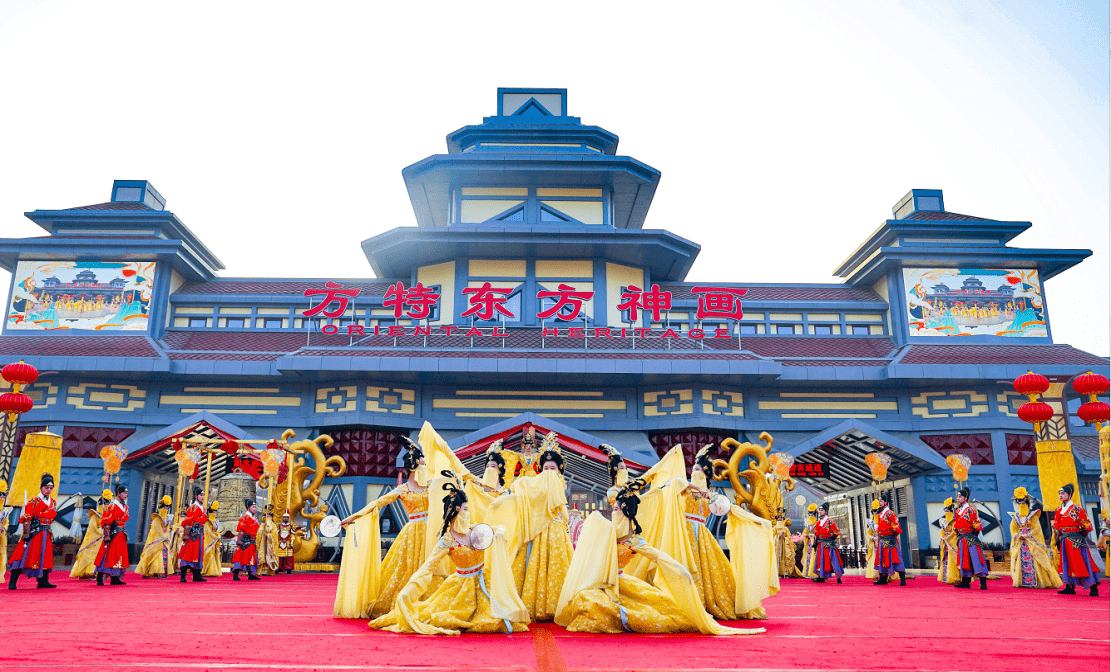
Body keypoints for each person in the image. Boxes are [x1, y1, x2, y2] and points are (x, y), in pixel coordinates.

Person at [555, 478, 764, 635]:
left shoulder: (635, 541)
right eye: (613, 510)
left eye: (617, 510)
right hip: (602, 585)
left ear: (626, 513)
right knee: (586, 599)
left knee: (657, 612)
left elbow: (660, 557)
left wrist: (682, 572)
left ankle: (623, 619)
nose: (613, 513)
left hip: (623, 587)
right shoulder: (606, 531)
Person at [368, 474, 529, 634]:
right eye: (465, 509)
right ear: (455, 512)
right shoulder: (447, 541)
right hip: (461, 588)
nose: (468, 512)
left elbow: (498, 528)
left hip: (484, 583)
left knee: (499, 620)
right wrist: (407, 592)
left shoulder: (475, 530)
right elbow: (427, 567)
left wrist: (500, 532)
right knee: (443, 617)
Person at [509, 432, 573, 622]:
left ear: (559, 469)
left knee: (555, 565)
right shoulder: (535, 483)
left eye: (552, 468)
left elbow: (559, 503)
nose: (549, 471)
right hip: (539, 528)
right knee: (536, 564)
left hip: (554, 527)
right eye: (545, 468)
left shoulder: (557, 481)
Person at [679, 445, 736, 618]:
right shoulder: (684, 488)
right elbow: (675, 481)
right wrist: (698, 489)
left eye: (698, 470)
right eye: (693, 469)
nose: (694, 473)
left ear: (705, 474)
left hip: (701, 533)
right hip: (685, 530)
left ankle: (705, 601)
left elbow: (724, 508)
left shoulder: (712, 495)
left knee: (706, 569)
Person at [8, 473, 58, 590]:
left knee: (44, 556)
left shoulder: (53, 502)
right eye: (46, 488)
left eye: (51, 488)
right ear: (41, 488)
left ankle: (43, 581)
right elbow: (27, 517)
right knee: (24, 554)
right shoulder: (34, 501)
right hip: (34, 532)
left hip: (46, 532)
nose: (49, 490)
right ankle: (12, 582)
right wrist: (26, 531)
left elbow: (52, 516)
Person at [1007, 487, 1060, 589]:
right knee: (1021, 560)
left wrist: (1028, 535)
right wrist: (1018, 535)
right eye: (1020, 504)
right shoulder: (1015, 517)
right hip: (1021, 541)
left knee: (1036, 557)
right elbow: (1013, 529)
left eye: (1024, 503)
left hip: (1031, 540)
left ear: (1027, 504)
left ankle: (1039, 581)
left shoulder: (1033, 516)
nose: (1022, 505)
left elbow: (1037, 529)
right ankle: (1024, 581)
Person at [1053, 483, 1100, 596]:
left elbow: (1086, 525)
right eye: (1059, 493)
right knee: (1066, 563)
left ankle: (1093, 588)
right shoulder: (1059, 509)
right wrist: (1057, 540)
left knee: (1083, 562)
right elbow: (1056, 527)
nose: (1060, 495)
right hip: (1064, 540)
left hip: (1076, 541)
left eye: (1063, 493)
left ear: (1069, 495)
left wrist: (1080, 537)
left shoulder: (1077, 509)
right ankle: (1069, 587)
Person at [952, 487, 989, 590]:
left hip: (970, 537)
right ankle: (965, 582)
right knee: (964, 560)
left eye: (960, 496)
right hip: (961, 537)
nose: (958, 498)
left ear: (966, 497)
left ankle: (983, 582)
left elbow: (977, 525)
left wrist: (973, 534)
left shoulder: (970, 510)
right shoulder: (958, 511)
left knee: (976, 558)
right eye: (958, 497)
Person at [95, 484, 131, 586]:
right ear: (118, 494)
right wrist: (107, 535)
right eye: (124, 493)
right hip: (113, 533)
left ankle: (115, 578)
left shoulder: (125, 506)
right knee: (108, 555)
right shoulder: (112, 506)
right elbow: (106, 522)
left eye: (126, 493)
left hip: (122, 533)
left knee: (119, 556)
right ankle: (100, 576)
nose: (125, 495)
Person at [71, 491, 109, 580]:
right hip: (95, 538)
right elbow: (93, 527)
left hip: (104, 538)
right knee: (91, 555)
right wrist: (102, 531)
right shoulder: (95, 515)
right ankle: (89, 572)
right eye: (105, 503)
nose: (106, 506)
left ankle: (101, 572)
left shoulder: (107, 515)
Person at [872, 495, 906, 586]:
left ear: (886, 502)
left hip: (890, 539)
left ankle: (902, 578)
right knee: (882, 558)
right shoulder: (880, 514)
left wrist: (894, 533)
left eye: (881, 501)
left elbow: (896, 525)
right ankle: (883, 578)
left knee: (895, 558)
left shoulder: (890, 513)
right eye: (879, 501)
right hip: (882, 539)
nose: (880, 503)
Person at [136, 495, 173, 578]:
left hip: (164, 539)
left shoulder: (168, 517)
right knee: (154, 554)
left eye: (167, 507)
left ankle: (161, 572)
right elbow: (155, 529)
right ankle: (153, 571)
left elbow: (167, 529)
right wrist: (162, 537)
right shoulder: (156, 517)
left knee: (163, 555)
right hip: (157, 538)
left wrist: (167, 535)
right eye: (164, 507)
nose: (165, 509)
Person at [177, 489, 209, 583]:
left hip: (199, 534)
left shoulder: (202, 508)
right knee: (188, 553)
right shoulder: (192, 507)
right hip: (192, 534)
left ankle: (197, 575)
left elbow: (203, 519)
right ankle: (183, 576)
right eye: (200, 495)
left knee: (198, 553)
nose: (202, 497)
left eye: (203, 495)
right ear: (196, 496)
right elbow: (188, 520)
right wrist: (200, 519)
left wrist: (199, 519)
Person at [811, 503, 843, 584]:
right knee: (820, 560)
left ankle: (838, 577)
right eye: (820, 510)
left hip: (829, 543)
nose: (820, 512)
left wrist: (832, 538)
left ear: (826, 511)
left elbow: (836, 532)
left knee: (834, 559)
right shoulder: (818, 522)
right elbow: (816, 533)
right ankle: (821, 576)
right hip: (820, 543)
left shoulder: (830, 521)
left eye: (822, 510)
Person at [232, 499, 261, 581]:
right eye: (253, 507)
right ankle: (235, 574)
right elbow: (240, 530)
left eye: (255, 507)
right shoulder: (244, 517)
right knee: (240, 557)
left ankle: (251, 574)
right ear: (248, 508)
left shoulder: (255, 518)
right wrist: (239, 541)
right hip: (245, 541)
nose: (255, 509)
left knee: (252, 557)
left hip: (252, 540)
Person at [936, 498, 960, 585]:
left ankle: (956, 577)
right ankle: (946, 577)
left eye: (948, 508)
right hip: (946, 543)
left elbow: (955, 531)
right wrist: (943, 538)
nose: (946, 510)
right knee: (946, 559)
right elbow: (941, 532)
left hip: (952, 541)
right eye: (945, 508)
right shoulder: (942, 520)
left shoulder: (955, 520)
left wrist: (949, 537)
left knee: (954, 559)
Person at [772, 508, 799, 578]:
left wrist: (784, 537)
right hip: (777, 548)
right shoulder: (774, 528)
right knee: (777, 558)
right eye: (778, 518)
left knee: (786, 557)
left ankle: (786, 572)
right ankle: (777, 572)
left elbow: (789, 538)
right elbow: (772, 537)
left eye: (781, 518)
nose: (780, 520)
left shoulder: (786, 529)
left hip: (784, 547)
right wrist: (778, 537)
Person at [202, 501, 223, 577]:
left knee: (214, 554)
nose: (214, 513)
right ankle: (206, 571)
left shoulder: (216, 521)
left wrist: (218, 535)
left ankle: (213, 570)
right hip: (209, 540)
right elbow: (207, 531)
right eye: (212, 512)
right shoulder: (207, 522)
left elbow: (217, 531)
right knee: (209, 554)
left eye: (215, 512)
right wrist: (215, 537)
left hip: (214, 540)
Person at [257, 505, 279, 576]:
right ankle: (261, 570)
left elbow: (275, 535)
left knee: (270, 556)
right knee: (262, 555)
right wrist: (263, 531)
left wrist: (269, 535)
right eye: (267, 516)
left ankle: (270, 570)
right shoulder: (263, 525)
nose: (269, 518)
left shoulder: (274, 525)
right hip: (263, 543)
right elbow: (259, 533)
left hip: (270, 544)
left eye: (270, 516)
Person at [0, 479, 9, 583]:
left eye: (4, 494)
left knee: (1, 554)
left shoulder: (5, 510)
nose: (2, 496)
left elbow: (7, 522)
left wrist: (4, 527)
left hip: (2, 536)